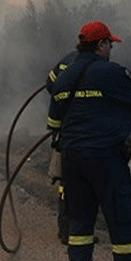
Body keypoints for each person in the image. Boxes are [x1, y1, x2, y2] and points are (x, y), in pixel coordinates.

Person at [46, 22, 131, 261]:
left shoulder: (63, 79)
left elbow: (52, 123)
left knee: (79, 225)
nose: (111, 48)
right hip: (107, 159)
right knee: (122, 226)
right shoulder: (112, 72)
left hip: (73, 160)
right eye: (110, 44)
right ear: (101, 45)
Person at [45, 51, 78, 246]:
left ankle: (64, 229)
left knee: (66, 181)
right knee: (81, 183)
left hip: (65, 130)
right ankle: (73, 230)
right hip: (83, 131)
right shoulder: (98, 66)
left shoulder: (65, 60)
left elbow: (50, 84)